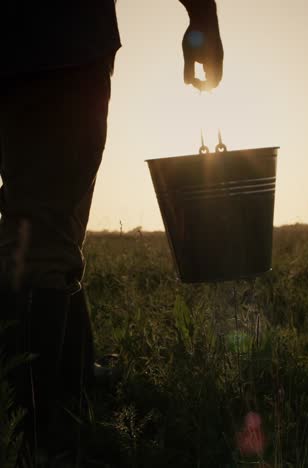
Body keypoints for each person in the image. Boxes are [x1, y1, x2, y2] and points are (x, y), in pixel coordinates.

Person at [0, 0, 223, 451]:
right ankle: (32, 432)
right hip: (56, 46)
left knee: (48, 220)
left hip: (35, 45)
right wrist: (202, 17)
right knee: (43, 228)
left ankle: (71, 377)